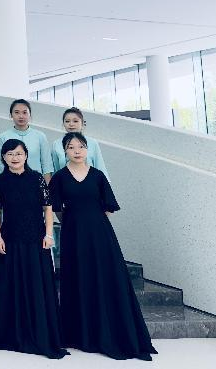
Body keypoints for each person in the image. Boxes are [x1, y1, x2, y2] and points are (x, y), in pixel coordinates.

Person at [49, 133, 156, 361]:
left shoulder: (98, 176)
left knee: (106, 277)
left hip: (100, 235)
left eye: (81, 147)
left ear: (87, 149)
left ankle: (110, 331)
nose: (77, 151)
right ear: (64, 151)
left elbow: (108, 207)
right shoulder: (59, 177)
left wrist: (93, 223)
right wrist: (74, 222)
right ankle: (81, 334)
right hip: (73, 235)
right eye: (71, 147)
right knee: (79, 278)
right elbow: (56, 209)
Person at [0, 139, 67, 359]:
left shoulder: (37, 178)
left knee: (38, 284)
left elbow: (47, 208)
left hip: (36, 240)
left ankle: (41, 332)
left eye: (19, 153)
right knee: (13, 285)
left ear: (26, 156)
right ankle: (15, 332)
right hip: (10, 240)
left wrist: (49, 234)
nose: (15, 157)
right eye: (10, 154)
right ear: (3, 157)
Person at [0, 99, 53, 181]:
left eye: (24, 112)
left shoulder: (40, 136)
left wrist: (47, 185)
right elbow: (0, 164)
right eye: (17, 112)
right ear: (11, 115)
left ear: (30, 115)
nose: (21, 116)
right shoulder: (4, 137)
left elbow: (47, 165)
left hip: (36, 182)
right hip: (10, 182)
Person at [51, 107, 109, 178]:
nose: (71, 124)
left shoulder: (92, 143)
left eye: (75, 121)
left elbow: (100, 167)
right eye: (67, 121)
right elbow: (56, 170)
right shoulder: (56, 144)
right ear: (63, 124)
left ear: (82, 123)